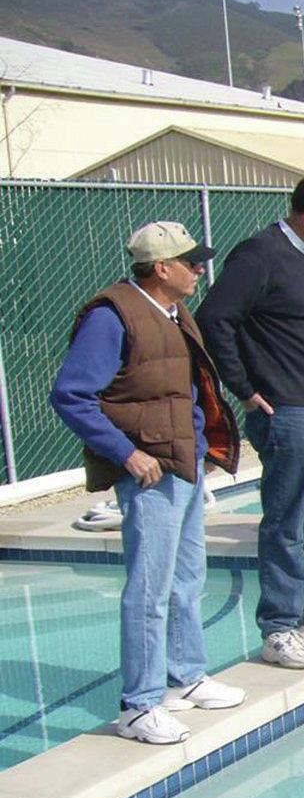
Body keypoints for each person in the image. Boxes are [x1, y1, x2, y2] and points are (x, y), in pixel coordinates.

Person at [50, 221, 244, 745]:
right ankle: (138, 706)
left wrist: (201, 447)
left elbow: (186, 392)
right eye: (190, 262)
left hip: (184, 464)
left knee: (187, 580)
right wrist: (127, 454)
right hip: (151, 470)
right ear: (161, 268)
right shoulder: (112, 317)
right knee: (149, 591)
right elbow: (70, 395)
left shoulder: (174, 312)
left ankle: (185, 675)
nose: (199, 269)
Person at [198, 173, 304, 670]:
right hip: (287, 410)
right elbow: (214, 320)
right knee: (286, 521)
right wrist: (245, 389)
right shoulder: (259, 255)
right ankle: (278, 627)